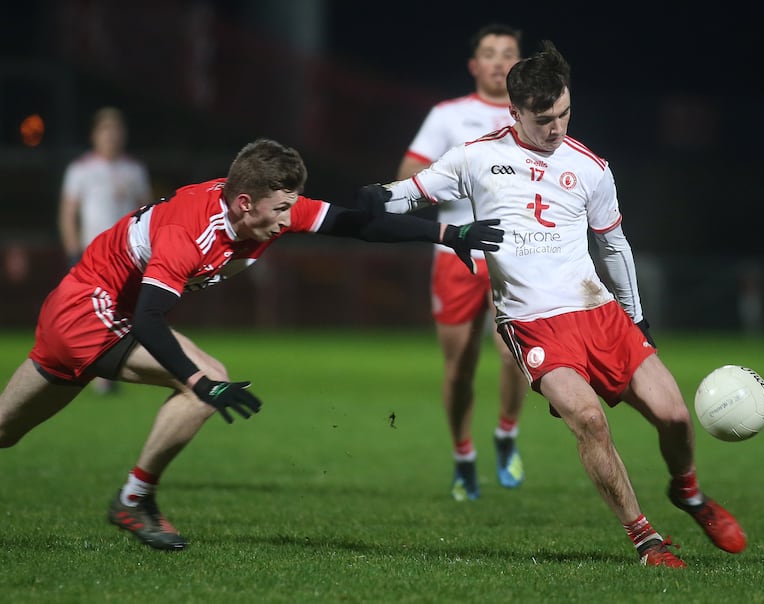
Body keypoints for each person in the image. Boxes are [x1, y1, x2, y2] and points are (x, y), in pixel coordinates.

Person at [0, 138, 503, 552]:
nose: (288, 220)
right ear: (245, 203)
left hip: (96, 310)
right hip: (88, 313)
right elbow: (152, 320)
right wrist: (198, 382)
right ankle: (134, 499)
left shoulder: (267, 204)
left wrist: (447, 232)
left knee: (5, 431)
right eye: (281, 210)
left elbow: (358, 225)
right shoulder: (190, 231)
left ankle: (135, 496)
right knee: (207, 382)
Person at [370, 41, 746, 567]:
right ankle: (647, 541)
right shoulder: (477, 157)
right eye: (545, 118)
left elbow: (613, 245)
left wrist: (636, 318)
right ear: (515, 111)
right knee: (589, 420)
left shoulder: (591, 167)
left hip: (599, 312)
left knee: (676, 417)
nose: (558, 127)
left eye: (565, 113)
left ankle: (687, 492)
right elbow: (409, 193)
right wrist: (371, 200)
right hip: (532, 323)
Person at [396, 23, 528, 502]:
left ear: (520, 64)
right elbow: (408, 175)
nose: (497, 61)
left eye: (507, 53)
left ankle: (507, 433)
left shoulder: (532, 117)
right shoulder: (448, 116)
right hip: (457, 253)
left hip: (515, 252)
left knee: (517, 352)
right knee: (460, 368)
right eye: (488, 53)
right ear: (474, 66)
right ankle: (464, 455)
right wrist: (463, 175)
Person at [58, 106, 152, 394]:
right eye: (105, 130)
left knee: (124, 313)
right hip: (93, 253)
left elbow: (148, 210)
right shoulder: (80, 169)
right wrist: (73, 249)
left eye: (116, 130)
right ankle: (91, 371)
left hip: (128, 254)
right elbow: (68, 212)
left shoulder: (134, 169)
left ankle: (107, 372)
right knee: (94, 313)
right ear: (95, 134)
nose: (111, 136)